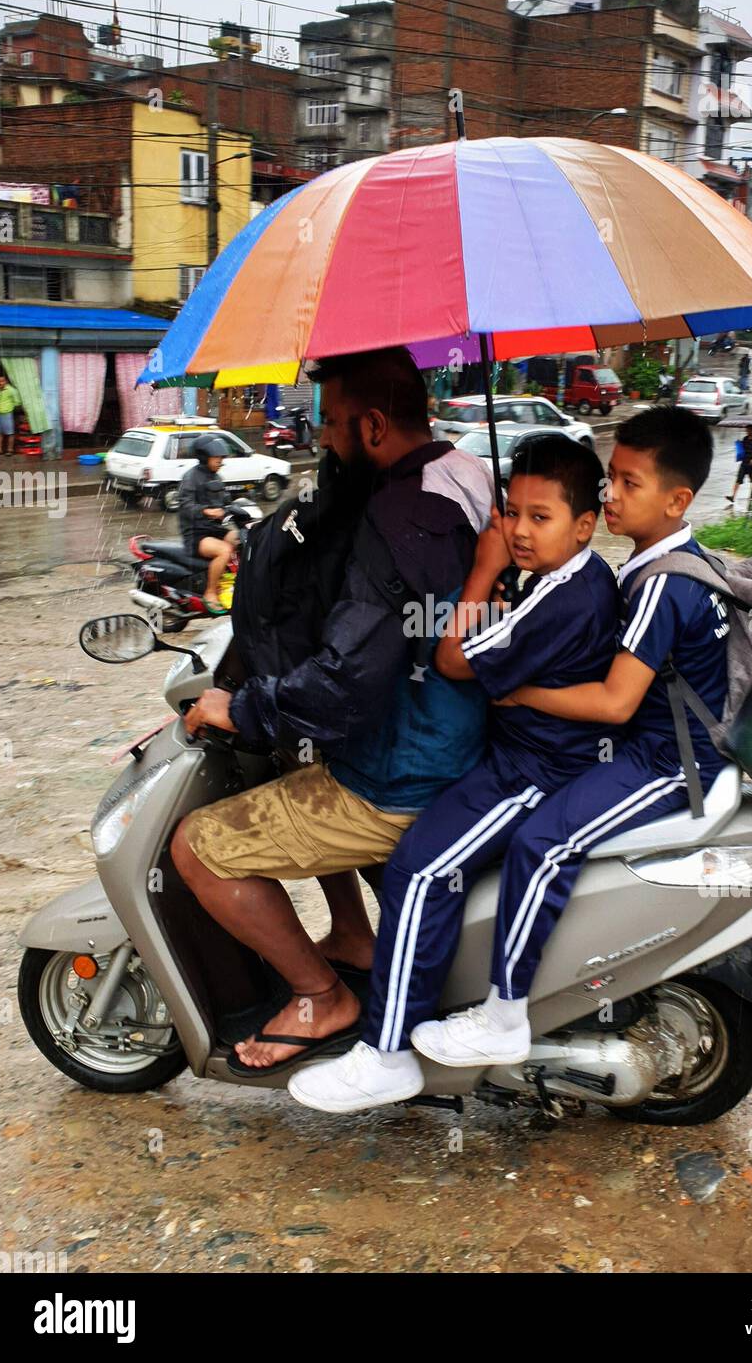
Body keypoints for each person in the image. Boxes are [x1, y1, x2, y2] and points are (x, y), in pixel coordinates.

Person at [169, 345, 494, 1076]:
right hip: (462, 735)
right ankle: (352, 933)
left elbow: (348, 681)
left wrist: (243, 705)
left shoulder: (398, 515)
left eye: (334, 424)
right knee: (294, 756)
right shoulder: (464, 475)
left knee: (196, 844)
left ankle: (320, 997)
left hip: (402, 775)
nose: (324, 440)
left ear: (374, 426)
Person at [385, 406, 730, 1075]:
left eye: (631, 483)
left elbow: (614, 701)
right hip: (649, 745)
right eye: (614, 480)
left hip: (668, 761)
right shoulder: (658, 562)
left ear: (678, 500)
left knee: (546, 842)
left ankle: (505, 1015)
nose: (613, 495)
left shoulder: (661, 583)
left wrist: (523, 693)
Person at [287, 434, 622, 1113]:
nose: (522, 531)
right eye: (513, 513)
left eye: (541, 517)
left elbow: (451, 660)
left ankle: (387, 1056)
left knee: (420, 868)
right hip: (520, 756)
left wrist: (483, 568)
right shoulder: (571, 579)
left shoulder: (562, 599)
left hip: (535, 772)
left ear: (585, 525)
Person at [178, 435, 237, 615]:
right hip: (196, 534)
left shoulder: (216, 476)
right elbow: (185, 505)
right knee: (224, 550)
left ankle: (231, 581)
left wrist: (238, 505)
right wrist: (206, 511)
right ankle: (210, 592)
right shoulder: (191, 477)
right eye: (216, 458)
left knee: (242, 539)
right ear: (204, 457)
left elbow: (225, 500)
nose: (220, 462)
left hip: (214, 529)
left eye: (222, 458)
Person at [0, 374, 22, 456]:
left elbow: (17, 402)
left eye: (2, 381)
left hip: (7, 414)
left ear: (5, 381)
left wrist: (9, 407)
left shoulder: (12, 390)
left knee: (10, 433)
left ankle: (9, 450)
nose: (0, 383)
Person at [727, 422, 752, 506]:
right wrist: (738, 444)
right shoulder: (745, 439)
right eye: (746, 430)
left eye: (749, 430)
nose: (747, 431)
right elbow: (742, 450)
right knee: (738, 479)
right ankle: (733, 496)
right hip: (744, 463)